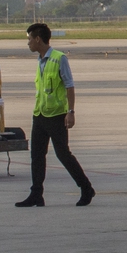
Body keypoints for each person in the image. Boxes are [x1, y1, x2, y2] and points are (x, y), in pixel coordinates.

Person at [17, 22, 93, 207]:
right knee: (37, 156)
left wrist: (71, 112)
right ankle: (36, 194)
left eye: (29, 40)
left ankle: (86, 188)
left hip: (57, 115)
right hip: (40, 114)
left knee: (63, 154)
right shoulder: (40, 60)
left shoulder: (59, 58)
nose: (28, 44)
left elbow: (69, 86)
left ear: (37, 39)